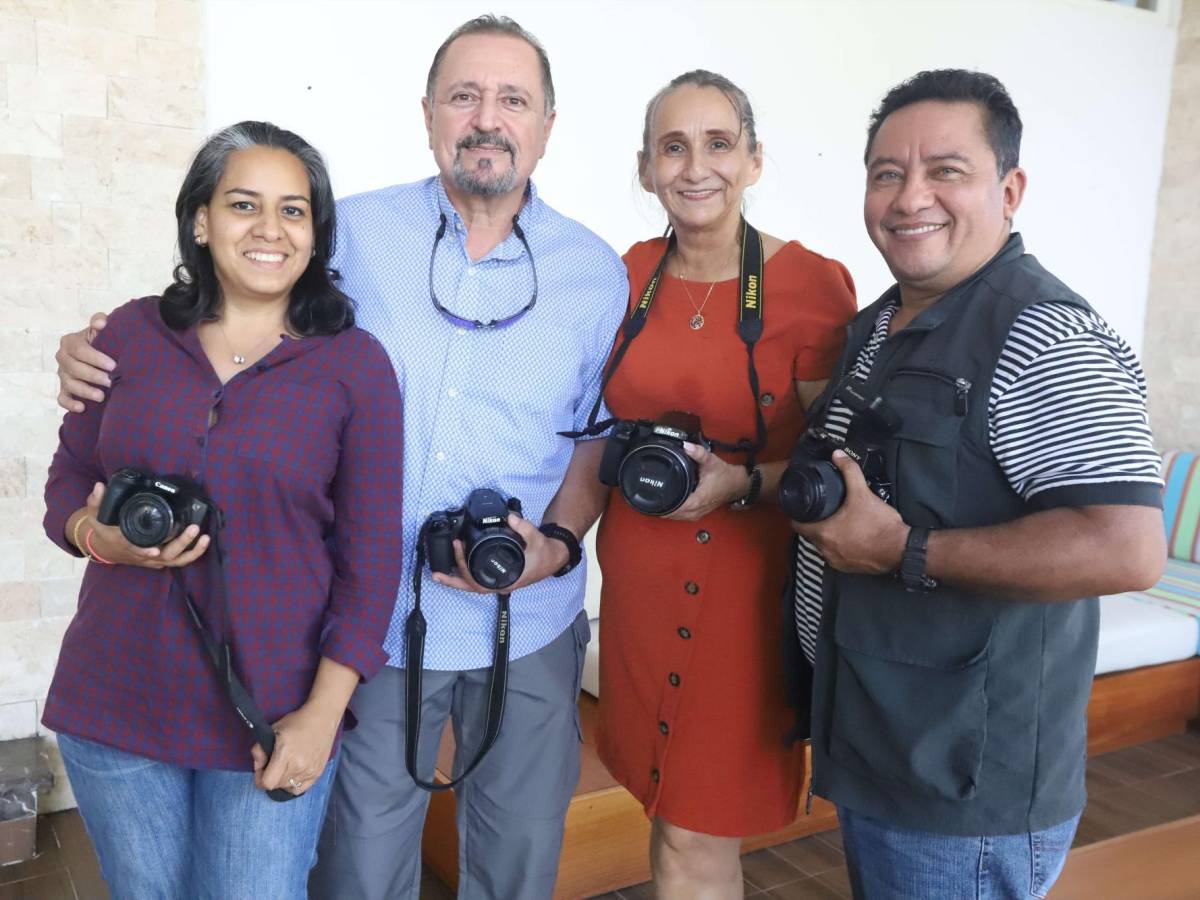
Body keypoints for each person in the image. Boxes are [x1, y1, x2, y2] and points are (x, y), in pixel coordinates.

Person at [55, 16, 626, 900]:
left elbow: (596, 435)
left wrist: (554, 543)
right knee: (357, 873)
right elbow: (218, 318)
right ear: (429, 113)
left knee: (518, 866)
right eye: (464, 95)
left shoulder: (597, 272)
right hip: (376, 627)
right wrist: (102, 350)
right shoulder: (347, 232)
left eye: (513, 99)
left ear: (548, 123)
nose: (487, 117)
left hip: (532, 621)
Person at [790, 69, 1166, 899]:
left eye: (944, 171)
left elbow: (1128, 547)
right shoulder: (883, 324)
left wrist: (902, 549)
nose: (908, 196)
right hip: (885, 745)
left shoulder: (1045, 334)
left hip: (963, 786)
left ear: (1009, 187)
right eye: (886, 172)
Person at [41, 121, 404, 898]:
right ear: (201, 221)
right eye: (243, 204)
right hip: (115, 700)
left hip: (270, 714)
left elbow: (372, 563)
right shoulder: (131, 336)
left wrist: (322, 715)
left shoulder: (355, 368)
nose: (269, 229)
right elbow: (69, 479)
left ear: (316, 233)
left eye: (294, 210)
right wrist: (96, 537)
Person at [593, 71, 856, 898]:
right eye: (673, 147)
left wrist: (743, 482)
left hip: (742, 597)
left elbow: (838, 467)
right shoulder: (623, 275)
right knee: (663, 815)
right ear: (645, 168)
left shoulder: (812, 285)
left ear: (754, 160)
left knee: (697, 834)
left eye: (718, 144)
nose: (694, 166)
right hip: (638, 583)